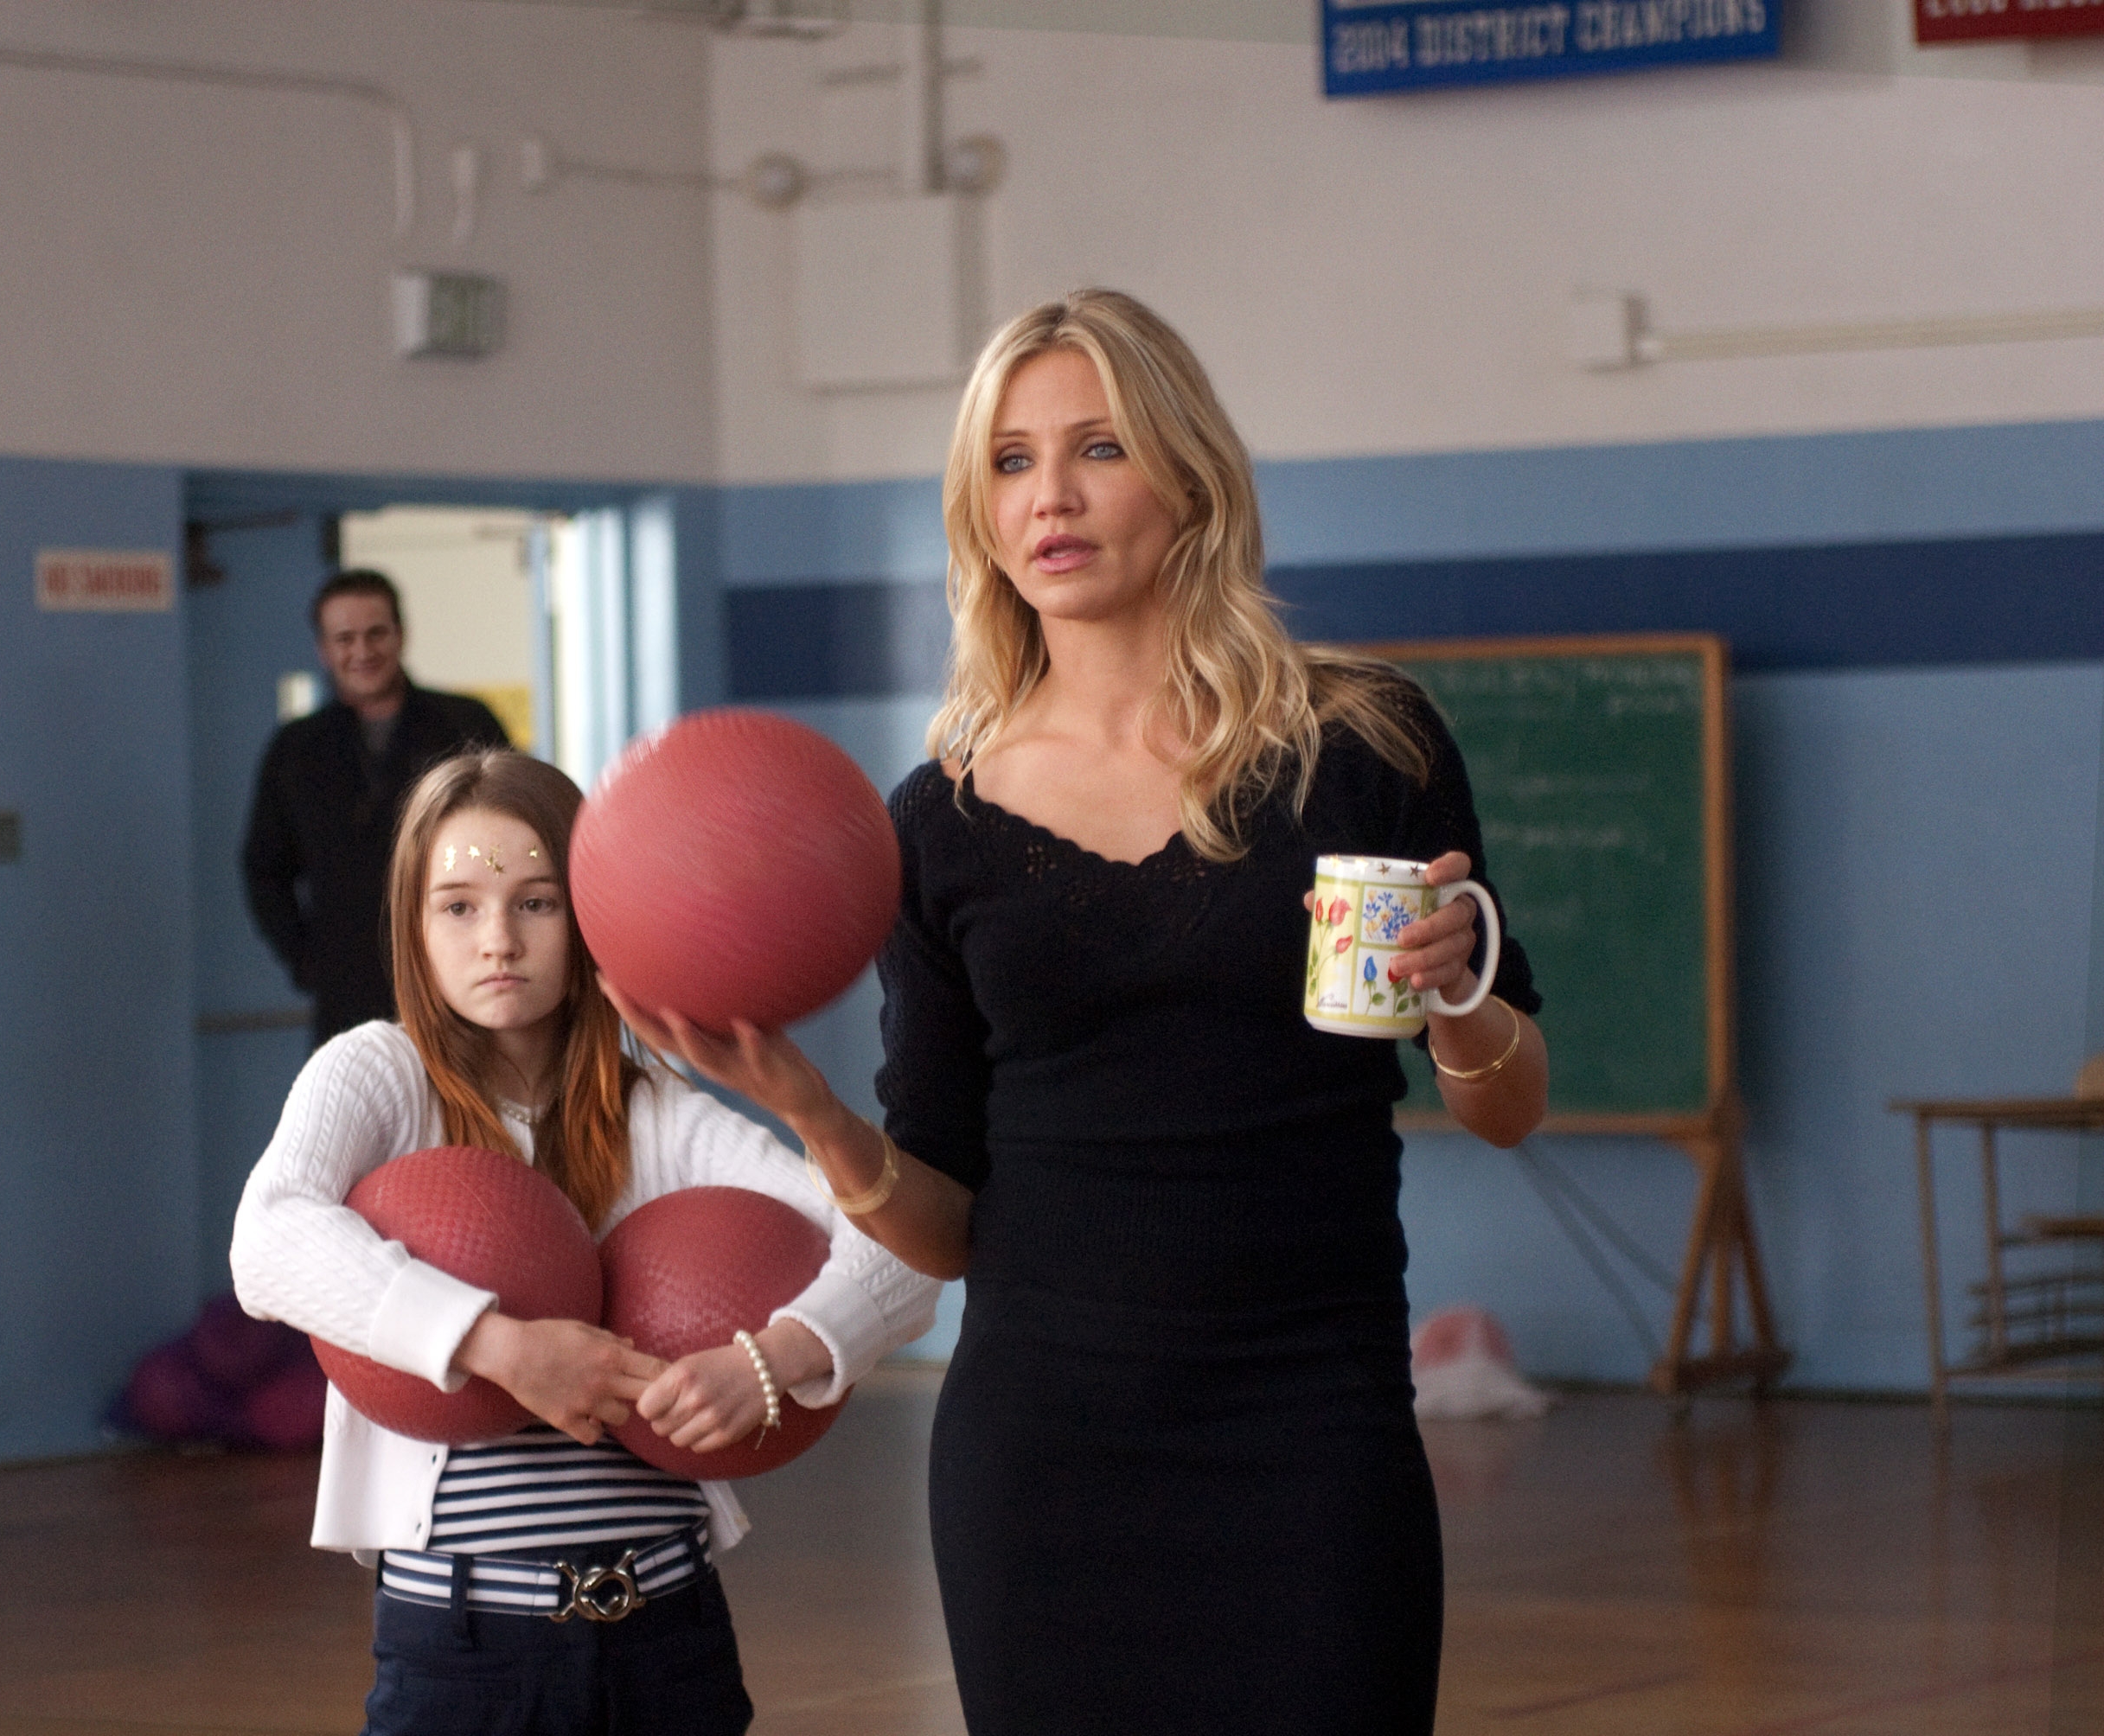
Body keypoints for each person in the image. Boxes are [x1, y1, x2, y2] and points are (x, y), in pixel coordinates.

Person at [606, 289, 1550, 1735]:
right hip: (1043, 1449)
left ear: (1187, 477)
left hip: (1313, 1423)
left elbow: (1508, 1103)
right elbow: (943, 1224)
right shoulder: (935, 825)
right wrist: (802, 1104)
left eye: (1098, 447)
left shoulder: (1363, 742)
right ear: (977, 510)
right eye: (1008, 459)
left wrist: (1461, 997)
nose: (1049, 493)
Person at [228, 749, 939, 1736]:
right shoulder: (377, 1075)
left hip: (669, 1632)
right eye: (459, 906)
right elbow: (267, 1239)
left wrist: (775, 1359)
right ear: (413, 927)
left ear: (591, 915)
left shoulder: (657, 1111)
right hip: (461, 1648)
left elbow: (900, 1248)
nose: (499, 941)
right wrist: (501, 1346)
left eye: (537, 902)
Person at [243, 570, 510, 1045]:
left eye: (376, 634)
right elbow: (264, 868)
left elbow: (511, 842)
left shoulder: (466, 724)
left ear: (401, 635)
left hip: (460, 984)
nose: (362, 652)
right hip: (347, 995)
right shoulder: (296, 749)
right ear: (324, 650)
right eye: (345, 639)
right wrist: (306, 959)